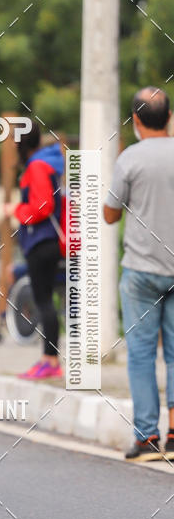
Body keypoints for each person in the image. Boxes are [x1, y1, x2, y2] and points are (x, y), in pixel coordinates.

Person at [104, 87, 174, 462]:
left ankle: (147, 437)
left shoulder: (130, 158)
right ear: (170, 117)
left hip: (141, 271)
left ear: (135, 121)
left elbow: (111, 214)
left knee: (142, 354)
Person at [4, 122, 63, 379]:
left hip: (42, 242)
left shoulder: (37, 166)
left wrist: (15, 211)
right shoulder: (44, 162)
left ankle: (50, 361)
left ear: (20, 143)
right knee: (45, 301)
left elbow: (43, 206)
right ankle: (49, 359)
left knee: (44, 302)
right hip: (45, 242)